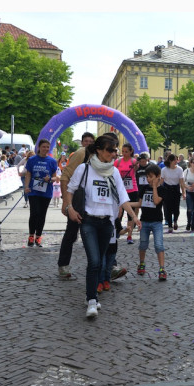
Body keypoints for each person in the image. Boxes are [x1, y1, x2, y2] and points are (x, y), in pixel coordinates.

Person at [65, 134, 141, 318]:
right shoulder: (84, 169)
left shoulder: (114, 172)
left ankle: (92, 295)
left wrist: (134, 218)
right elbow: (70, 190)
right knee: (94, 261)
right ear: (99, 150)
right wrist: (69, 209)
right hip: (88, 221)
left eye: (115, 150)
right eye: (111, 150)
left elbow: (123, 197)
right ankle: (91, 301)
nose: (114, 154)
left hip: (107, 223)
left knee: (100, 262)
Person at [57, 132, 95, 278]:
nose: (89, 143)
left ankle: (109, 266)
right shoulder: (80, 154)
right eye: (86, 141)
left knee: (100, 232)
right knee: (72, 233)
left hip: (93, 200)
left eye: (92, 141)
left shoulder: (100, 155)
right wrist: (66, 202)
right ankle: (63, 265)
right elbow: (65, 175)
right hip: (78, 199)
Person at [132, 164, 168, 281]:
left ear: (158, 176)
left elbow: (156, 201)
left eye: (151, 176)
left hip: (157, 222)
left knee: (159, 245)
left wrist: (154, 187)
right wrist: (128, 207)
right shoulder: (143, 188)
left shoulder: (162, 189)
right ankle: (141, 263)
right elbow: (140, 204)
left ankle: (162, 269)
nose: (148, 179)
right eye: (147, 176)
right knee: (143, 244)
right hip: (145, 221)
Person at [23, 139, 57, 247]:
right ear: (39, 147)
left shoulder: (52, 161)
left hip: (46, 192)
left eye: (48, 147)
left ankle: (38, 237)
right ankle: (31, 236)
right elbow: (28, 174)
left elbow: (56, 177)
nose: (46, 149)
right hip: (34, 191)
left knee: (42, 215)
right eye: (44, 147)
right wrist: (26, 186)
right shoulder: (32, 160)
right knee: (34, 213)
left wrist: (50, 179)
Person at [114, 143, 139, 244]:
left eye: (126, 152)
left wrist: (136, 165)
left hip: (132, 189)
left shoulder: (134, 161)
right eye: (123, 151)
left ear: (131, 152)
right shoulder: (117, 162)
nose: (124, 153)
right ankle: (117, 231)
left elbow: (138, 170)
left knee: (130, 214)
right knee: (118, 213)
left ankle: (129, 236)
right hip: (120, 190)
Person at [160, 154, 186, 233]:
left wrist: (184, 192)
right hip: (167, 189)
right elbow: (161, 181)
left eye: (177, 159)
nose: (176, 161)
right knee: (167, 208)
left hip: (176, 189)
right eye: (175, 160)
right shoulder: (164, 170)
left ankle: (175, 221)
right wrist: (158, 190)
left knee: (176, 208)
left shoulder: (179, 169)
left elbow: (181, 182)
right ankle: (170, 225)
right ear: (170, 161)